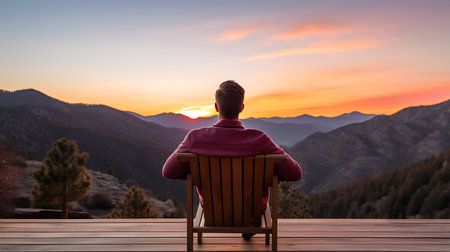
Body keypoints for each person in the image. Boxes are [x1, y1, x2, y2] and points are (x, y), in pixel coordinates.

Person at [162, 80, 302, 240]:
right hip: (252, 211)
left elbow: (168, 172)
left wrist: (198, 175)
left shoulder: (195, 138)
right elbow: (295, 173)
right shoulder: (260, 140)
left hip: (213, 210)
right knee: (255, 202)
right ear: (242, 108)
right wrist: (267, 175)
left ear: (216, 107)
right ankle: (247, 225)